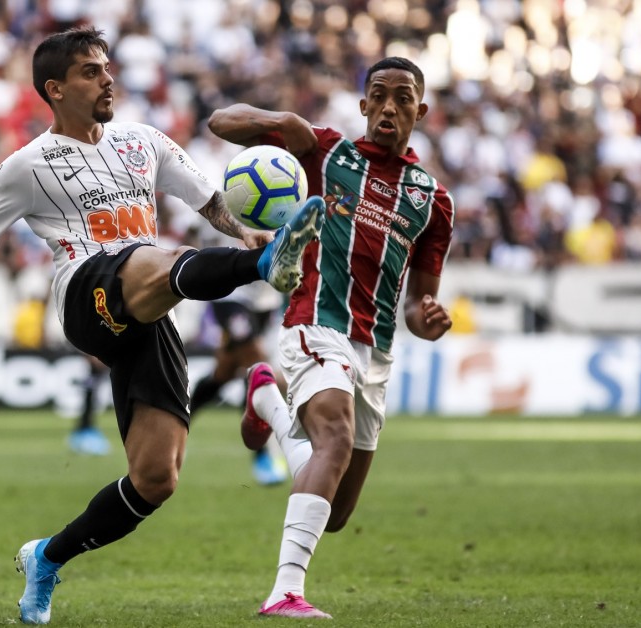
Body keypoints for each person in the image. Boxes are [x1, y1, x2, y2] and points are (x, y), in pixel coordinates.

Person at [0, 26, 325, 625]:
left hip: (148, 308)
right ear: (55, 88)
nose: (107, 78)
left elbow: (210, 201)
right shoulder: (26, 165)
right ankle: (264, 268)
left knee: (156, 478)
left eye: (107, 67)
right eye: (91, 71)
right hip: (86, 294)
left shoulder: (144, 142)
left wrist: (243, 230)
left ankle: (47, 556)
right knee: (154, 258)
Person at [208, 56, 455, 618]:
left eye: (403, 97)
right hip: (316, 323)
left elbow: (418, 301)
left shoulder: (431, 200)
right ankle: (285, 592)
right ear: (364, 105)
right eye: (379, 95)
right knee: (335, 440)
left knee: (337, 509)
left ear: (421, 110)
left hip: (377, 351)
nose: (390, 106)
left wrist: (429, 319)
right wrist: (284, 123)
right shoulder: (327, 153)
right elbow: (221, 121)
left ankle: (266, 399)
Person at [190, 282, 289, 486]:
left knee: (224, 372)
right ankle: (262, 455)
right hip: (231, 294)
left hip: (264, 297)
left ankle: (177, 419)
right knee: (255, 362)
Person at [67, 356, 111, 455]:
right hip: (90, 362)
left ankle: (84, 431)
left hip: (94, 362)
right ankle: (84, 433)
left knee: (91, 399)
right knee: (89, 399)